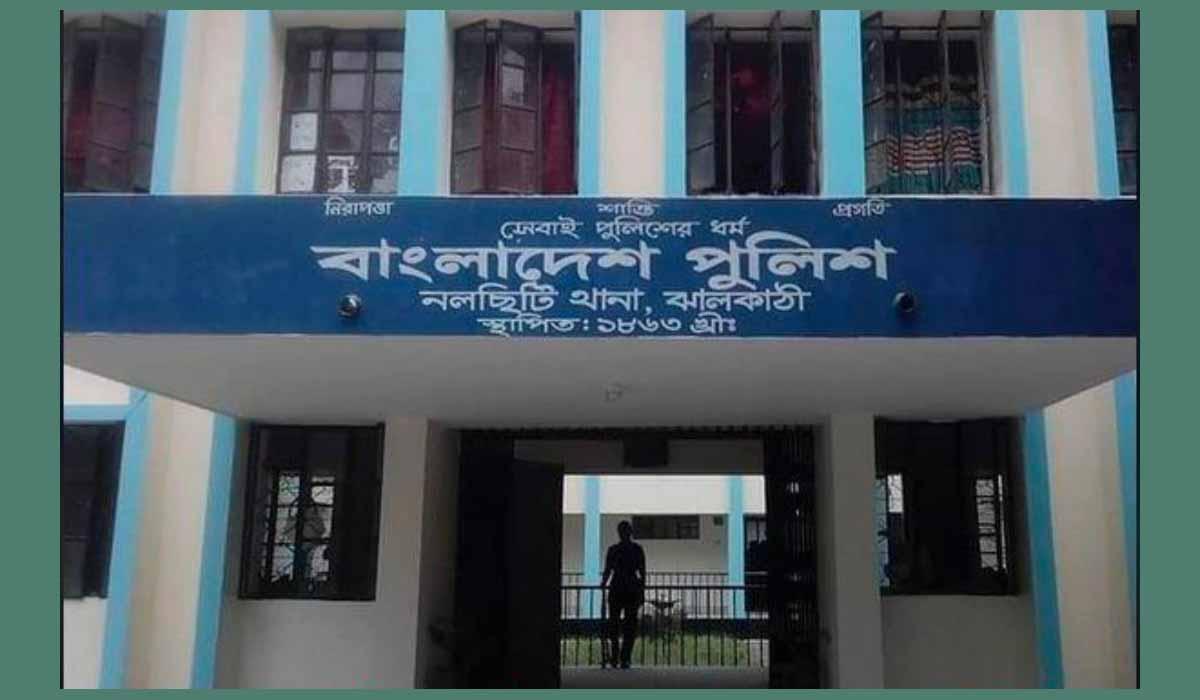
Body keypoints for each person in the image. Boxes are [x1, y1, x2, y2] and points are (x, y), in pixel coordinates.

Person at [601, 520, 646, 669]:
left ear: (619, 533)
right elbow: (642, 573)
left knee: (614, 624)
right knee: (630, 625)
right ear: (630, 533)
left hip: (617, 587)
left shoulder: (613, 550)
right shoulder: (637, 549)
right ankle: (625, 658)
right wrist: (642, 591)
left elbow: (608, 570)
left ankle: (615, 657)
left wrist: (603, 584)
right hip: (631, 588)